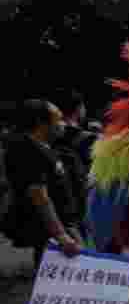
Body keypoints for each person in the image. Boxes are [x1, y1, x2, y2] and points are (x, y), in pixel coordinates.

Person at [2, 99, 83, 270]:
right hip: (53, 232)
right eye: (58, 119)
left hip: (62, 224)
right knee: (68, 282)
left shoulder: (44, 146)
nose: (63, 124)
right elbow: (39, 195)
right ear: (41, 123)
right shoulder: (26, 149)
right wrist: (61, 235)